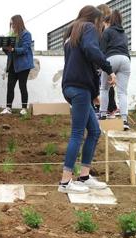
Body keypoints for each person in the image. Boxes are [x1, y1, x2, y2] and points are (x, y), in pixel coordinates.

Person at [59, 5, 116, 194]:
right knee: (77, 133)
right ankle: (65, 182)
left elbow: (80, 62)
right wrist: (108, 68)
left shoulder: (72, 32)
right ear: (96, 19)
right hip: (79, 88)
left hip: (72, 87)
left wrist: (93, 93)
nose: (101, 27)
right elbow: (92, 51)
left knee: (94, 131)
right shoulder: (88, 28)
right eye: (102, 22)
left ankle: (84, 176)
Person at [98, 9, 131, 130]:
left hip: (111, 59)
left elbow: (101, 51)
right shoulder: (124, 34)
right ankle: (124, 120)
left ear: (109, 21)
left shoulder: (107, 32)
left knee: (104, 88)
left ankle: (102, 115)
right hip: (126, 61)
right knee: (122, 92)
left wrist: (100, 67)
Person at [0, 15, 34, 116]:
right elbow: (10, 53)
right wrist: (5, 48)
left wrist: (13, 49)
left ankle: (24, 108)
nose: (12, 26)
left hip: (23, 65)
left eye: (13, 23)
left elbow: (25, 49)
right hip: (12, 65)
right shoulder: (11, 35)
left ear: (18, 23)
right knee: (10, 86)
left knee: (22, 86)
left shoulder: (26, 34)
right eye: (11, 24)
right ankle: (8, 107)